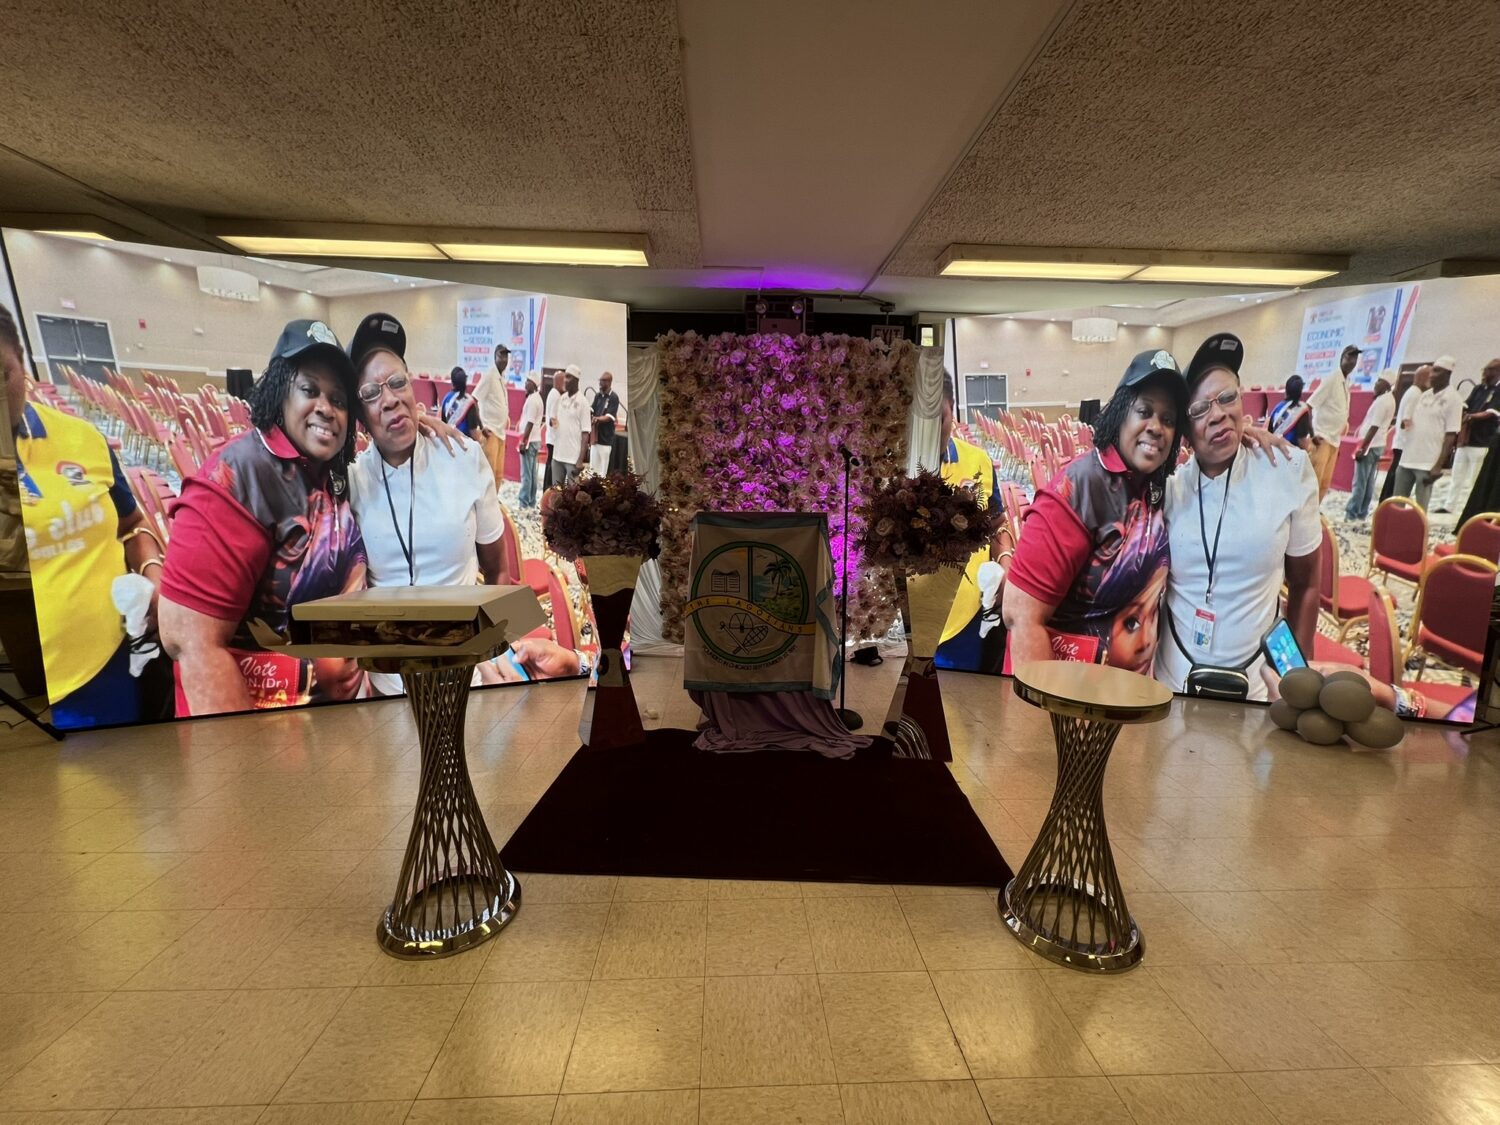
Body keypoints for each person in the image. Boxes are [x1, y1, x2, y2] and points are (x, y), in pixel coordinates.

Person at [159, 319, 367, 717]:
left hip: (325, 721)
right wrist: (246, 744)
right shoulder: (239, 475)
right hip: (255, 723)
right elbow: (189, 641)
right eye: (310, 390)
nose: (326, 408)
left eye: (339, 400)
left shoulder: (332, 474)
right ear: (279, 391)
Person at [2, 304, 163, 728]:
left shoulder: (82, 438)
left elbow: (133, 523)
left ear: (22, 362)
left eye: (3, 374)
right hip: (25, 689)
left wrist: (153, 570)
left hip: (114, 664)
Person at [1156, 334, 1320, 701]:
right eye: (1200, 409)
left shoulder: (1288, 469)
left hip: (1257, 687)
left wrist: (1298, 680)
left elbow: (1307, 584)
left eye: (1227, 397)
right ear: (1185, 432)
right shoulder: (1169, 488)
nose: (1218, 414)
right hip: (1173, 682)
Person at [1003, 349, 1186, 675]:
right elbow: (1021, 615)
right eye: (1144, 411)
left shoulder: (1157, 487)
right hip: (1067, 690)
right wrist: (1045, 706)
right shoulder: (1080, 487)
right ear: (1120, 413)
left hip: (1123, 688)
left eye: (1168, 420)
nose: (1156, 427)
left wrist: (1243, 441)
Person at [933, 370, 1007, 674]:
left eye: (939, 418)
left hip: (968, 615)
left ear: (953, 410)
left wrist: (1006, 560)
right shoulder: (889, 468)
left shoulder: (978, 461)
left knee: (966, 698)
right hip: (909, 623)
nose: (930, 431)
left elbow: (997, 522)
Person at [1392, 356, 1462, 511]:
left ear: (1447, 374)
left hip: (1427, 463)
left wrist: (1438, 466)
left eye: (1436, 371)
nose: (1431, 375)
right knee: (1397, 504)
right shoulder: (1424, 395)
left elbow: (1451, 435)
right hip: (1407, 457)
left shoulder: (1454, 399)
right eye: (1431, 371)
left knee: (1420, 508)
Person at [1434, 357, 1500, 514]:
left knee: (1474, 479)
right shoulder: (1478, 389)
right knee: (1456, 476)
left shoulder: (1498, 391)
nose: (1484, 373)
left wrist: (1471, 417)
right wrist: (1462, 412)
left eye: (1489, 370)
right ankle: (1449, 505)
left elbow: (1492, 412)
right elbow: (1466, 404)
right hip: (1466, 439)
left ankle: (1469, 509)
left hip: (1482, 442)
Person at [1307, 343, 1359, 499]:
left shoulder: (1346, 381)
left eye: (1355, 358)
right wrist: (1313, 434)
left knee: (1325, 483)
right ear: (1342, 358)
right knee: (1313, 483)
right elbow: (1308, 406)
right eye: (1349, 357)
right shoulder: (1332, 379)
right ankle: (1305, 511)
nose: (1352, 361)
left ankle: (1315, 510)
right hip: (1322, 438)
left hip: (1334, 440)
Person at [1344, 375, 1395, 522]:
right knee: (1368, 481)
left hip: (1370, 445)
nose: (1375, 384)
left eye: (1379, 381)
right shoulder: (1388, 399)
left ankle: (1352, 513)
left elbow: (1374, 426)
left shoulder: (1383, 401)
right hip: (1377, 444)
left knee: (1360, 481)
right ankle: (1362, 512)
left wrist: (1363, 447)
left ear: (1386, 385)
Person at [1380, 365, 1430, 503]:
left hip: (1402, 443)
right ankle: (1388, 506)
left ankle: (1386, 505)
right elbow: (1406, 421)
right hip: (1405, 444)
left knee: (1393, 479)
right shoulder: (1416, 395)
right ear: (1423, 378)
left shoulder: (1413, 392)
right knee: (1395, 482)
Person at [470, 344, 511, 489]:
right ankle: (484, 502)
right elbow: (473, 400)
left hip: (501, 433)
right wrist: (482, 426)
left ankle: (493, 501)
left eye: (506, 356)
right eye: (501, 355)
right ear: (495, 357)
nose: (504, 359)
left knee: (498, 475)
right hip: (490, 432)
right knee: (488, 474)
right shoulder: (489, 375)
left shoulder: (501, 378)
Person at [548, 365, 590, 488]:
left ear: (576, 380)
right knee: (556, 492)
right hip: (557, 455)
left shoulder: (583, 403)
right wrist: (552, 422)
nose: (565, 380)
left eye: (568, 377)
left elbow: (585, 433)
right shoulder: (561, 399)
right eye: (565, 377)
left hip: (573, 459)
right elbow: (554, 422)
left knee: (573, 494)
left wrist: (580, 460)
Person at [517, 374, 544, 507]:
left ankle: (524, 502)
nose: (525, 383)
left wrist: (524, 441)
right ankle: (531, 501)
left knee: (526, 474)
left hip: (529, 441)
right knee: (532, 473)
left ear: (533, 384)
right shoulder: (536, 398)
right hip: (534, 440)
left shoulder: (533, 400)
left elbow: (530, 422)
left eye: (528, 381)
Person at [1268, 375, 1314, 450]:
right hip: (1291, 452)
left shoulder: (1278, 407)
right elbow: (1302, 442)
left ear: (1286, 390)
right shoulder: (1302, 409)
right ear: (1300, 392)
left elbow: (1269, 432)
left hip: (1274, 449)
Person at [590, 371, 621, 477]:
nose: (600, 383)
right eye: (600, 380)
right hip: (595, 438)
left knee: (602, 473)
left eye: (603, 381)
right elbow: (592, 409)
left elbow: (609, 417)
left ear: (609, 382)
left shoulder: (613, 397)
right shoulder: (598, 395)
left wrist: (596, 419)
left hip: (605, 440)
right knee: (593, 471)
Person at [440, 366, 479, 437]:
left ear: (452, 382)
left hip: (449, 440)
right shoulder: (469, 402)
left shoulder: (446, 398)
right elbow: (473, 433)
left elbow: (443, 424)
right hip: (465, 442)